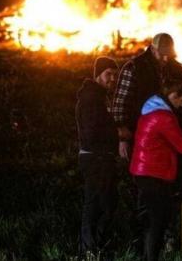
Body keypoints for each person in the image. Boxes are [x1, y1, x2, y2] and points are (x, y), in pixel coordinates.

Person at [129, 79, 182, 261]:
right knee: (158, 221)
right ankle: (150, 257)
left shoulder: (151, 110)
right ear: (174, 96)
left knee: (151, 219)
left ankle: (144, 254)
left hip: (144, 171)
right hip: (154, 173)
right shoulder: (164, 116)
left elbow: (173, 140)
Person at [111, 33, 182, 159]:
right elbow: (120, 104)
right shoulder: (134, 67)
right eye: (162, 54)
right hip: (142, 139)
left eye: (168, 54)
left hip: (172, 141)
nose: (166, 59)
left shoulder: (179, 70)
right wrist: (123, 138)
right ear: (153, 49)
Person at [75, 56, 120, 257]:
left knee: (105, 203)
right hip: (95, 158)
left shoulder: (98, 96)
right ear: (98, 74)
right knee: (95, 204)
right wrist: (118, 133)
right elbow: (93, 132)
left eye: (115, 75)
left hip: (101, 157)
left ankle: (96, 246)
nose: (112, 78)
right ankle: (89, 249)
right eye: (108, 74)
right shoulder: (92, 98)